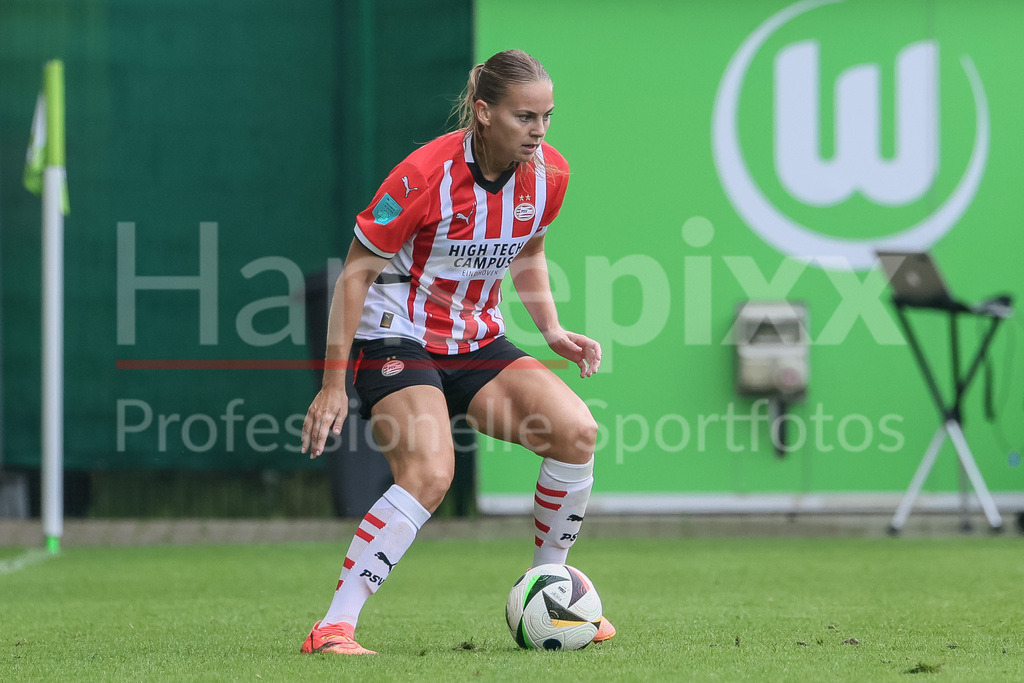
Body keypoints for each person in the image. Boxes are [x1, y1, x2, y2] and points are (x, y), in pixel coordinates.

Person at [299, 48, 614, 655]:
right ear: (484, 112)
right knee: (431, 473)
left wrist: (550, 331)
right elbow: (355, 273)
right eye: (526, 116)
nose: (539, 131)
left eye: (547, 117)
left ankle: (550, 586)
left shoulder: (549, 174)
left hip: (476, 340)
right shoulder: (422, 174)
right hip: (396, 336)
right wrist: (333, 384)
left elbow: (528, 251)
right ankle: (334, 626)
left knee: (577, 432)